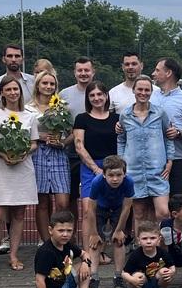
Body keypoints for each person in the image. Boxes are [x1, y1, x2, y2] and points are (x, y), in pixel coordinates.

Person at [0, 75, 39, 273]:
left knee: (19, 213)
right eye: (9, 89)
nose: (13, 93)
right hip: (1, 169)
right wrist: (1, 153)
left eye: (16, 89)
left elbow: (34, 143)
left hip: (23, 169)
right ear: (2, 93)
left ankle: (13, 255)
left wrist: (23, 152)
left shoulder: (29, 115)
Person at [118, 75, 174, 225]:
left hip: (157, 171)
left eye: (147, 90)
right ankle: (140, 246)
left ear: (151, 92)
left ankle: (164, 247)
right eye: (140, 89)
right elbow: (121, 139)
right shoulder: (125, 115)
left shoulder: (160, 113)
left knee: (163, 212)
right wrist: (122, 162)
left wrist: (170, 162)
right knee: (139, 213)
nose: (143, 93)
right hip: (133, 171)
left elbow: (168, 137)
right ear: (134, 90)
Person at [73, 81, 119, 251]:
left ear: (106, 96)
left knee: (108, 210)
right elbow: (79, 146)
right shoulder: (82, 119)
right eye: (92, 95)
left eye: (100, 94)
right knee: (88, 211)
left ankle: (102, 250)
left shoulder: (117, 118)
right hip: (90, 168)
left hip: (113, 169)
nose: (96, 98)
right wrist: (95, 169)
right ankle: (88, 253)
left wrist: (112, 170)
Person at [27, 70, 71, 242]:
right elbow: (26, 133)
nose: (48, 86)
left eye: (51, 84)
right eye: (44, 83)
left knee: (63, 203)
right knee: (42, 202)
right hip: (38, 154)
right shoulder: (27, 108)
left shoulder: (62, 106)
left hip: (58, 155)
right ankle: (46, 242)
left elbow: (72, 133)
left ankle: (61, 238)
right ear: (38, 85)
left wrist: (62, 143)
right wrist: (39, 137)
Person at [34, 210, 104, 288]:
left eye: (69, 231)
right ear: (50, 230)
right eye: (61, 231)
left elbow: (85, 254)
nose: (65, 234)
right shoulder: (46, 252)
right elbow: (39, 280)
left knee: (85, 264)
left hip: (65, 280)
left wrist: (85, 263)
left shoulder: (67, 244)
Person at [84, 155, 134, 288]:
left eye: (119, 175)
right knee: (95, 243)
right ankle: (93, 277)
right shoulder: (97, 182)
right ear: (104, 175)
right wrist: (93, 233)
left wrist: (119, 230)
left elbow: (127, 208)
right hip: (100, 208)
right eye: (111, 175)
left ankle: (118, 276)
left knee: (119, 240)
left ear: (124, 174)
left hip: (118, 208)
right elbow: (91, 210)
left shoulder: (129, 182)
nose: (115, 179)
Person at [59, 57, 98, 226]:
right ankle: (71, 235)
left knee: (96, 198)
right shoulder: (64, 95)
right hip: (72, 153)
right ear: (74, 72)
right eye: (80, 70)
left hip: (96, 152)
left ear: (93, 72)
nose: (83, 74)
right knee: (70, 197)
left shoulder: (100, 92)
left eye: (87, 70)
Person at [151, 57, 182, 196]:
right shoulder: (151, 96)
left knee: (175, 201)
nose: (153, 73)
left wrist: (179, 132)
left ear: (168, 73)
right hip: (151, 158)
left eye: (157, 70)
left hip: (176, 159)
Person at [120, 221, 175, 288]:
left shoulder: (163, 253)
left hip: (157, 281)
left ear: (159, 239)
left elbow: (172, 266)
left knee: (165, 271)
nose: (149, 241)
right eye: (144, 238)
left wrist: (171, 272)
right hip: (140, 283)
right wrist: (132, 280)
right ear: (138, 240)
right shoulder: (135, 255)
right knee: (138, 275)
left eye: (153, 238)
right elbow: (124, 273)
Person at [0, 44, 35, 110]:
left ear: (22, 59)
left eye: (17, 56)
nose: (13, 59)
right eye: (10, 56)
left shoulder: (34, 81)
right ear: (3, 59)